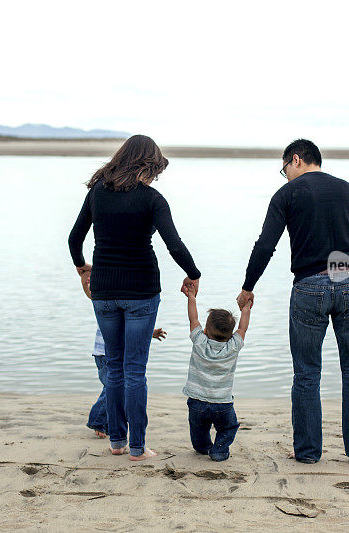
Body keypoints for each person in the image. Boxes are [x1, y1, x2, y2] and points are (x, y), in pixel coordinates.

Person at [237, 139, 349, 466]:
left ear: (295, 160)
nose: (284, 175)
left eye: (284, 169)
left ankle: (308, 452)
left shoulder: (287, 194)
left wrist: (248, 287)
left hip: (309, 288)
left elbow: (265, 246)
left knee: (306, 373)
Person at [68, 134, 201, 461]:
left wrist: (82, 266)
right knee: (134, 370)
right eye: (155, 170)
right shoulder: (152, 199)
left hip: (104, 291)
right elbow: (174, 245)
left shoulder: (97, 192)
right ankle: (138, 447)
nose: (155, 177)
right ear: (147, 165)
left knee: (115, 368)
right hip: (141, 291)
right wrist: (193, 274)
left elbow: (74, 238)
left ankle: (117, 441)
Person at [79, 270, 166, 439]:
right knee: (115, 386)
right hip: (105, 353)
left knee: (115, 385)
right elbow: (90, 293)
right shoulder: (108, 301)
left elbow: (133, 330)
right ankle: (98, 420)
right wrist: (84, 277)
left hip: (107, 352)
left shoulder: (112, 304)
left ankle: (103, 422)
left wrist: (150, 333)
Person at [183, 287, 251, 461]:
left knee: (198, 427)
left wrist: (191, 297)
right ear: (231, 333)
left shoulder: (199, 341)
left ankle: (202, 446)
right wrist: (245, 309)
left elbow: (193, 318)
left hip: (197, 401)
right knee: (228, 427)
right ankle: (219, 450)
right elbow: (243, 328)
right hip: (222, 403)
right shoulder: (233, 346)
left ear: (206, 328)